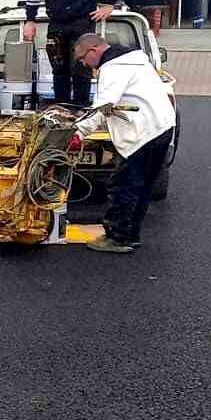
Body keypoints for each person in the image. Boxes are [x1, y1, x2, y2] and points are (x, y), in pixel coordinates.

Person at [70, 33, 175, 254]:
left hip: (143, 133)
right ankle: (131, 234)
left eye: (81, 58)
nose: (82, 63)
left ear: (94, 49)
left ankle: (118, 238)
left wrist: (79, 132)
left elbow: (104, 104)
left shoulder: (113, 68)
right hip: (162, 127)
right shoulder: (136, 60)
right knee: (143, 187)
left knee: (124, 185)